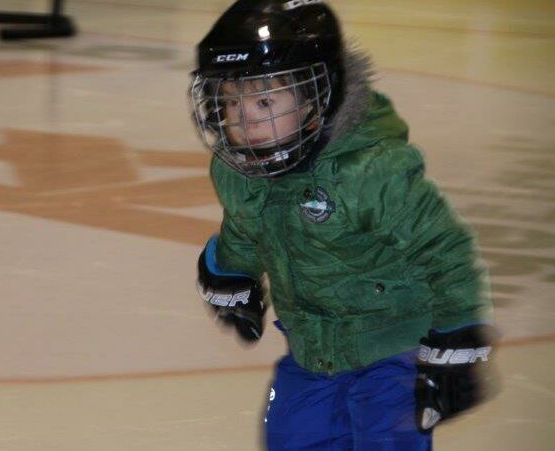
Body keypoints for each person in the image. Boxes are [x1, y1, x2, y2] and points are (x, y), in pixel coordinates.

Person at [190, 1, 497, 450]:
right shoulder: (239, 174)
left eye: (265, 101)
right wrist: (227, 269)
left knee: (385, 440)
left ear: (318, 96)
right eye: (230, 102)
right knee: (291, 437)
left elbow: (444, 250)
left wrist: (459, 336)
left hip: (394, 348)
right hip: (313, 351)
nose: (246, 120)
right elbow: (246, 231)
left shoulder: (372, 172)